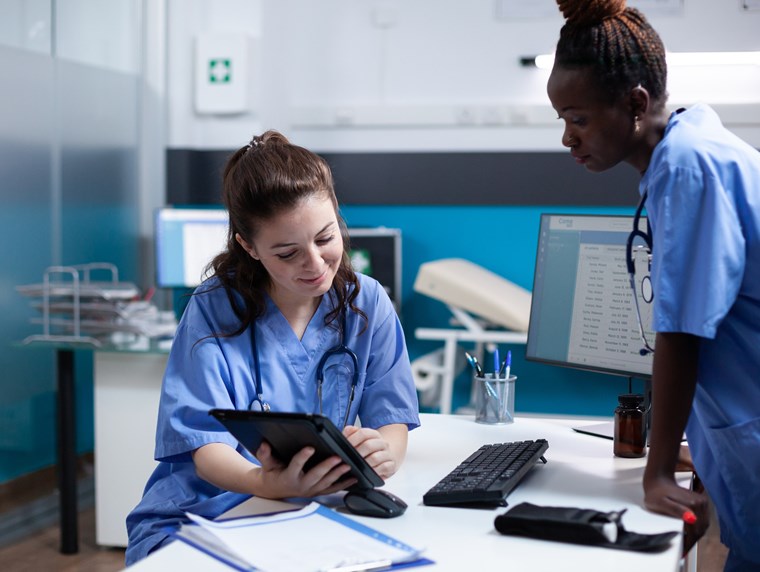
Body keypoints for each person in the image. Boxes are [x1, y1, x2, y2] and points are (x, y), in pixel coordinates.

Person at [125, 130, 420, 564]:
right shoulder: (212, 309)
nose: (316, 265)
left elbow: (391, 415)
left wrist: (383, 454)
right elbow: (202, 445)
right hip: (205, 513)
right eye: (287, 253)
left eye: (325, 238)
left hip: (308, 508)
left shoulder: (366, 301)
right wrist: (265, 483)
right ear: (249, 246)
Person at [546, 1, 760, 569]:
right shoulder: (685, 155)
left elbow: (682, 331)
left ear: (635, 104)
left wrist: (658, 471)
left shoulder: (690, 168)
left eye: (579, 118)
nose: (567, 138)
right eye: (562, 120)